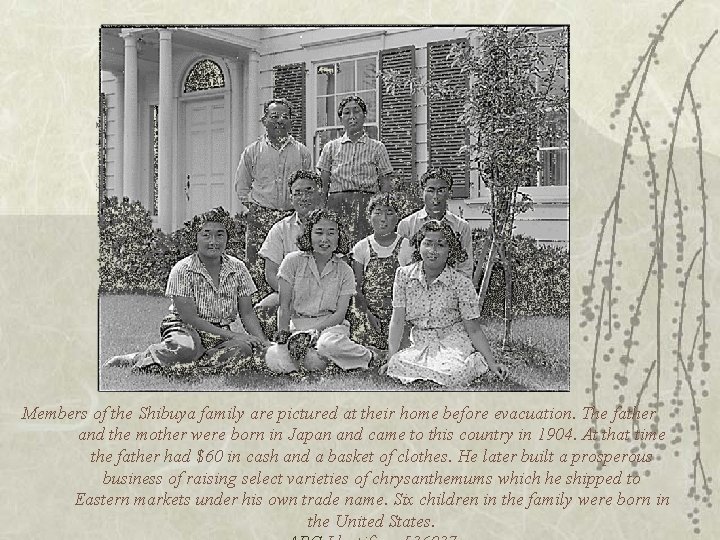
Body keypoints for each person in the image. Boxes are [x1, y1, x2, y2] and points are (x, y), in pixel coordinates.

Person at [105, 207, 268, 372]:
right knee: (186, 348)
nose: (214, 241)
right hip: (184, 328)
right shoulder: (182, 269)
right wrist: (234, 335)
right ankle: (141, 358)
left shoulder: (238, 267)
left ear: (227, 237)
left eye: (220, 234)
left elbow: (247, 313)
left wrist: (263, 343)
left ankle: (189, 363)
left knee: (243, 351)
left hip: (220, 333)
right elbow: (190, 318)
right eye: (206, 235)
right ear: (195, 238)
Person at [383, 220, 508, 387]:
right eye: (427, 243)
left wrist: (492, 362)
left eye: (440, 245)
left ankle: (475, 362)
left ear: (450, 250)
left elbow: (474, 328)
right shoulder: (404, 276)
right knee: (396, 365)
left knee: (453, 374)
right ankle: (427, 370)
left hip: (452, 341)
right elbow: (397, 320)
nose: (433, 251)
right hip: (421, 341)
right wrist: (391, 356)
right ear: (418, 245)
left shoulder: (461, 283)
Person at [271, 209, 375, 373]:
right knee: (275, 361)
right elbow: (284, 306)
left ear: (339, 236)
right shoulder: (291, 262)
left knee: (327, 346)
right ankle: (330, 362)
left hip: (331, 328)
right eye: (319, 232)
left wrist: (314, 332)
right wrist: (283, 338)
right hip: (298, 326)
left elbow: (339, 315)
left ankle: (370, 356)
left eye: (331, 233)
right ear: (309, 234)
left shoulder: (345, 270)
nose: (324, 239)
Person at [234, 98, 312, 291]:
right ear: (264, 120)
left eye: (285, 116)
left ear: (291, 121)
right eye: (274, 116)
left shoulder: (301, 152)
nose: (280, 121)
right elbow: (242, 186)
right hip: (261, 217)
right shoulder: (252, 151)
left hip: (291, 217)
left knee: (292, 264)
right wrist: (255, 208)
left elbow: (307, 185)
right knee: (258, 269)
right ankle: (259, 314)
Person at [318, 95, 394, 245]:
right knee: (338, 246)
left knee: (364, 247)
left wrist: (382, 210)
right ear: (340, 119)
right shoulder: (331, 147)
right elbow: (323, 183)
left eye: (356, 111)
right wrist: (321, 210)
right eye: (346, 112)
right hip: (337, 205)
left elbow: (385, 182)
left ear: (364, 115)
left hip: (366, 205)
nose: (352, 116)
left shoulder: (377, 147)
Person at [257, 170, 324, 301]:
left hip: (325, 296)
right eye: (298, 193)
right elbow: (271, 273)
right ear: (291, 198)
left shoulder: (333, 226)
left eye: (309, 191)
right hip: (289, 295)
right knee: (262, 309)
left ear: (320, 193)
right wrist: (293, 295)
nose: (303, 198)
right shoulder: (280, 229)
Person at [350, 192, 405, 350]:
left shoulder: (406, 246)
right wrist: (367, 313)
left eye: (389, 213)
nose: (383, 219)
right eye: (378, 213)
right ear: (369, 217)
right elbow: (357, 287)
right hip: (370, 315)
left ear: (397, 217)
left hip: (400, 315)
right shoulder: (361, 247)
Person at [397, 167, 473, 278]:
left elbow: (465, 268)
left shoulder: (461, 227)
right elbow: (402, 265)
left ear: (449, 193)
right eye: (430, 190)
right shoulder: (407, 225)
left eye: (441, 191)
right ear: (421, 192)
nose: (436, 197)